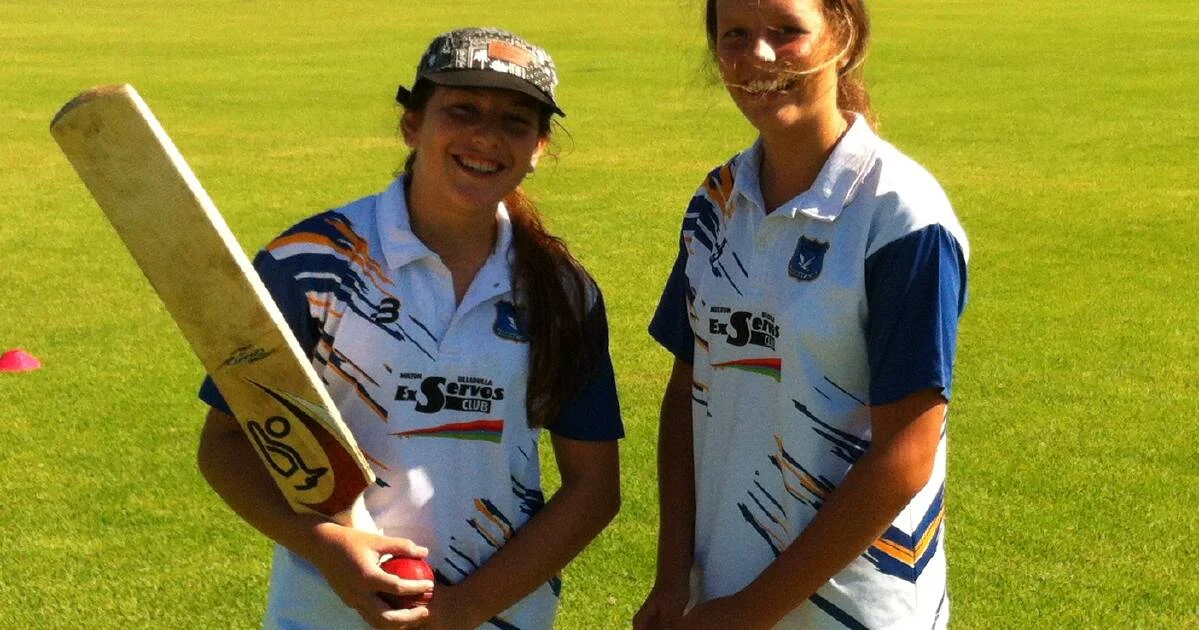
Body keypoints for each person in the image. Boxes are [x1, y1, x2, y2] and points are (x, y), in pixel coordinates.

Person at [197, 27, 623, 630]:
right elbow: (226, 445)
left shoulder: (561, 291)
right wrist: (326, 546)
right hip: (325, 613)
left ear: (539, 147)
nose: (486, 137)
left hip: (498, 616)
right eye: (462, 110)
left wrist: (466, 608)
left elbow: (593, 488)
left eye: (515, 121)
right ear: (412, 124)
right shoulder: (311, 263)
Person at [635, 0, 969, 628]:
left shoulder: (902, 215)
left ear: (844, 37)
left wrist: (749, 612)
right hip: (721, 589)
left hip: (857, 609)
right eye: (736, 36)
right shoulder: (715, 203)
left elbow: (905, 454)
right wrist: (673, 574)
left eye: (787, 31)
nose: (758, 56)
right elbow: (687, 392)